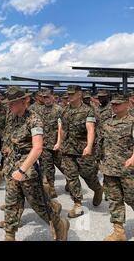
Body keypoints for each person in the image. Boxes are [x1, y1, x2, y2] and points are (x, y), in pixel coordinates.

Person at [1, 86, 69, 241]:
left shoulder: (34, 119)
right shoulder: (12, 117)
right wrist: (6, 150)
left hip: (27, 168)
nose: (9, 106)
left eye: (12, 103)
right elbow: (8, 136)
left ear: (24, 101)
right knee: (11, 203)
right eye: (8, 103)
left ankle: (59, 225)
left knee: (38, 204)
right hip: (11, 166)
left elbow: (37, 148)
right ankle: (9, 235)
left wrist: (22, 170)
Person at [59, 85, 103, 218]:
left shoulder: (88, 111)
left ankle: (98, 189)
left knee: (88, 175)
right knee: (71, 177)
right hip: (68, 149)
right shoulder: (64, 110)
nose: (69, 96)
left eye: (72, 94)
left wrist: (89, 146)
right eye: (69, 94)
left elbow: (90, 130)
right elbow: (62, 128)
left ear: (79, 95)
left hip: (83, 150)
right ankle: (77, 204)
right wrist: (59, 143)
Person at [101, 94, 134, 241]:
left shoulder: (132, 122)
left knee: (132, 198)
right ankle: (119, 232)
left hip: (128, 170)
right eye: (113, 104)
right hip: (110, 169)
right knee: (115, 200)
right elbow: (101, 143)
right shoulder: (107, 122)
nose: (115, 106)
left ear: (127, 104)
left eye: (118, 104)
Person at [39, 89, 65, 199]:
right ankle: (51, 188)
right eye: (44, 97)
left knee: (64, 166)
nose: (46, 99)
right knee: (47, 167)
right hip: (45, 144)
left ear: (53, 97)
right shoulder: (40, 111)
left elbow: (61, 127)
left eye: (48, 97)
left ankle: (71, 182)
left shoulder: (59, 110)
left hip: (57, 144)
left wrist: (59, 142)